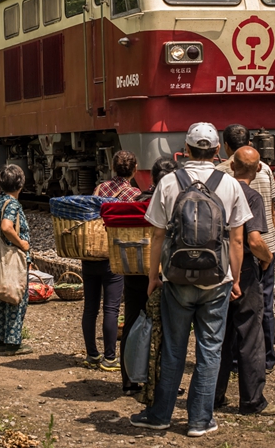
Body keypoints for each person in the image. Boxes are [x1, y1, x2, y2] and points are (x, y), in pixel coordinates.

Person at [131, 122, 251, 438]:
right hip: (217, 281)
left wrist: (153, 276)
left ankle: (159, 416)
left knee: (173, 349)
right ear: (217, 151)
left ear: (184, 150)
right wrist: (235, 279)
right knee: (210, 351)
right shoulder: (230, 184)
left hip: (176, 279)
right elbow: (237, 241)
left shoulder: (169, 182)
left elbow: (156, 235)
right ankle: (199, 421)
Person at [214, 146, 275, 416]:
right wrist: (266, 258)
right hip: (242, 272)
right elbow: (253, 241)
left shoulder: (217, 190)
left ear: (231, 166)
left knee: (219, 336)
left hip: (215, 270)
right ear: (257, 170)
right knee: (250, 336)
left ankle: (214, 394)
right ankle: (252, 400)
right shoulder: (251, 195)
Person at [122, 156, 178, 395]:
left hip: (134, 270)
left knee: (133, 320)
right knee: (168, 327)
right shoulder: (176, 202)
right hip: (163, 273)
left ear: (153, 178)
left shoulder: (138, 199)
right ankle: (163, 383)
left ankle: (129, 380)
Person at [81, 151, 141, 372]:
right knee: (111, 308)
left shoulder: (100, 188)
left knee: (90, 308)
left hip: (91, 254)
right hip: (112, 257)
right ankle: (109, 358)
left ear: (113, 168)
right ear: (134, 170)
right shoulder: (133, 194)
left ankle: (91, 355)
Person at [0, 164, 32, 355]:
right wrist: (20, 243)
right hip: (14, 257)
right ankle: (14, 343)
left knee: (2, 296)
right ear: (20, 184)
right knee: (16, 296)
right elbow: (7, 226)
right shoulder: (12, 204)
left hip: (2, 256)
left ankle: (3, 340)